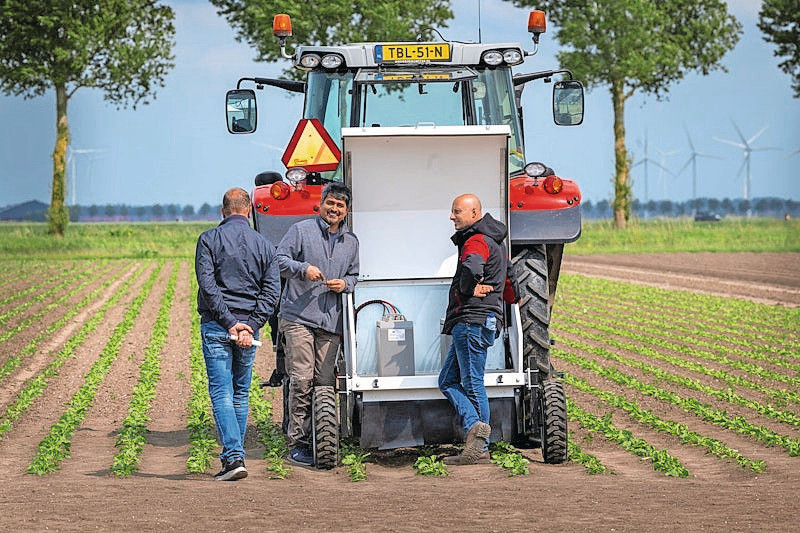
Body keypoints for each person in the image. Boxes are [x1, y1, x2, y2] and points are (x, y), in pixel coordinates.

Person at [195, 187, 281, 481]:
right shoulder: (265, 245)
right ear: (248, 211)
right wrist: (251, 324)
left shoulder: (208, 240)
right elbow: (272, 292)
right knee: (241, 393)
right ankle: (234, 457)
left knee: (222, 391)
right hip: (248, 331)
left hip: (217, 327)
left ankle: (233, 459)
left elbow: (208, 285)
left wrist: (230, 322)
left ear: (223, 211)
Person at [276, 182, 359, 466]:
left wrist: (345, 284)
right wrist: (303, 269)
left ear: (346, 211)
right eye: (330, 203)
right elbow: (279, 260)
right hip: (299, 317)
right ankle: (298, 443)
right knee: (301, 380)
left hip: (330, 321)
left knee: (324, 383)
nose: (334, 209)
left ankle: (322, 437)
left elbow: (355, 276)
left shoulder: (352, 242)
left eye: (340, 205)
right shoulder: (301, 231)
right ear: (321, 203)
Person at [438, 193, 518, 465]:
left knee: (472, 383)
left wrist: (469, 288)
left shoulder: (476, 240)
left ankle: (479, 446)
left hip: (471, 321)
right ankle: (475, 429)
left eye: (456, 211)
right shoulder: (497, 243)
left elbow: (472, 266)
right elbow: (510, 285)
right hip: (485, 321)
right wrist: (502, 298)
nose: (452, 216)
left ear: (474, 214)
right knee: (447, 380)